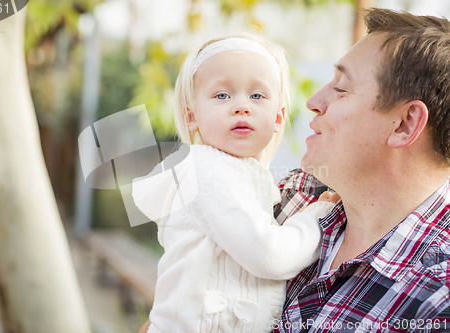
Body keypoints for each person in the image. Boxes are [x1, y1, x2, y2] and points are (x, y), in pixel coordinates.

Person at [132, 34, 340, 332]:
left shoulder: (247, 175)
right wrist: (317, 216)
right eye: (222, 95)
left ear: (278, 118)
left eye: (257, 96)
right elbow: (268, 255)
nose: (242, 106)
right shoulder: (204, 171)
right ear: (192, 117)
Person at [272, 8, 450, 332]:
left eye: (341, 88)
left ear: (404, 124)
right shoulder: (293, 196)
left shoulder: (438, 300)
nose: (314, 100)